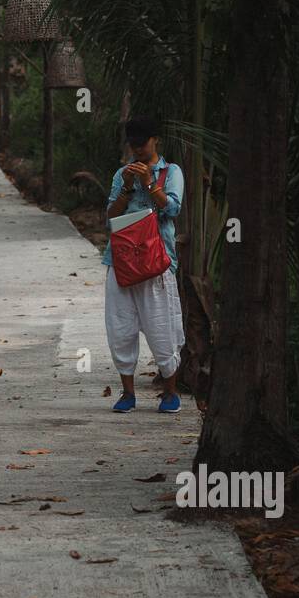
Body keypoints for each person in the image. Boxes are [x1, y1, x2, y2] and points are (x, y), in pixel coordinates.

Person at [102, 118, 186, 413]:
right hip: (122, 260)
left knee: (161, 325)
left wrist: (149, 182)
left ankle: (171, 392)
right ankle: (127, 393)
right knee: (120, 326)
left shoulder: (171, 172)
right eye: (133, 145)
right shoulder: (121, 174)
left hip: (157, 261)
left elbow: (172, 208)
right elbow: (111, 216)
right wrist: (126, 187)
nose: (138, 149)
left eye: (143, 143)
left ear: (155, 140)